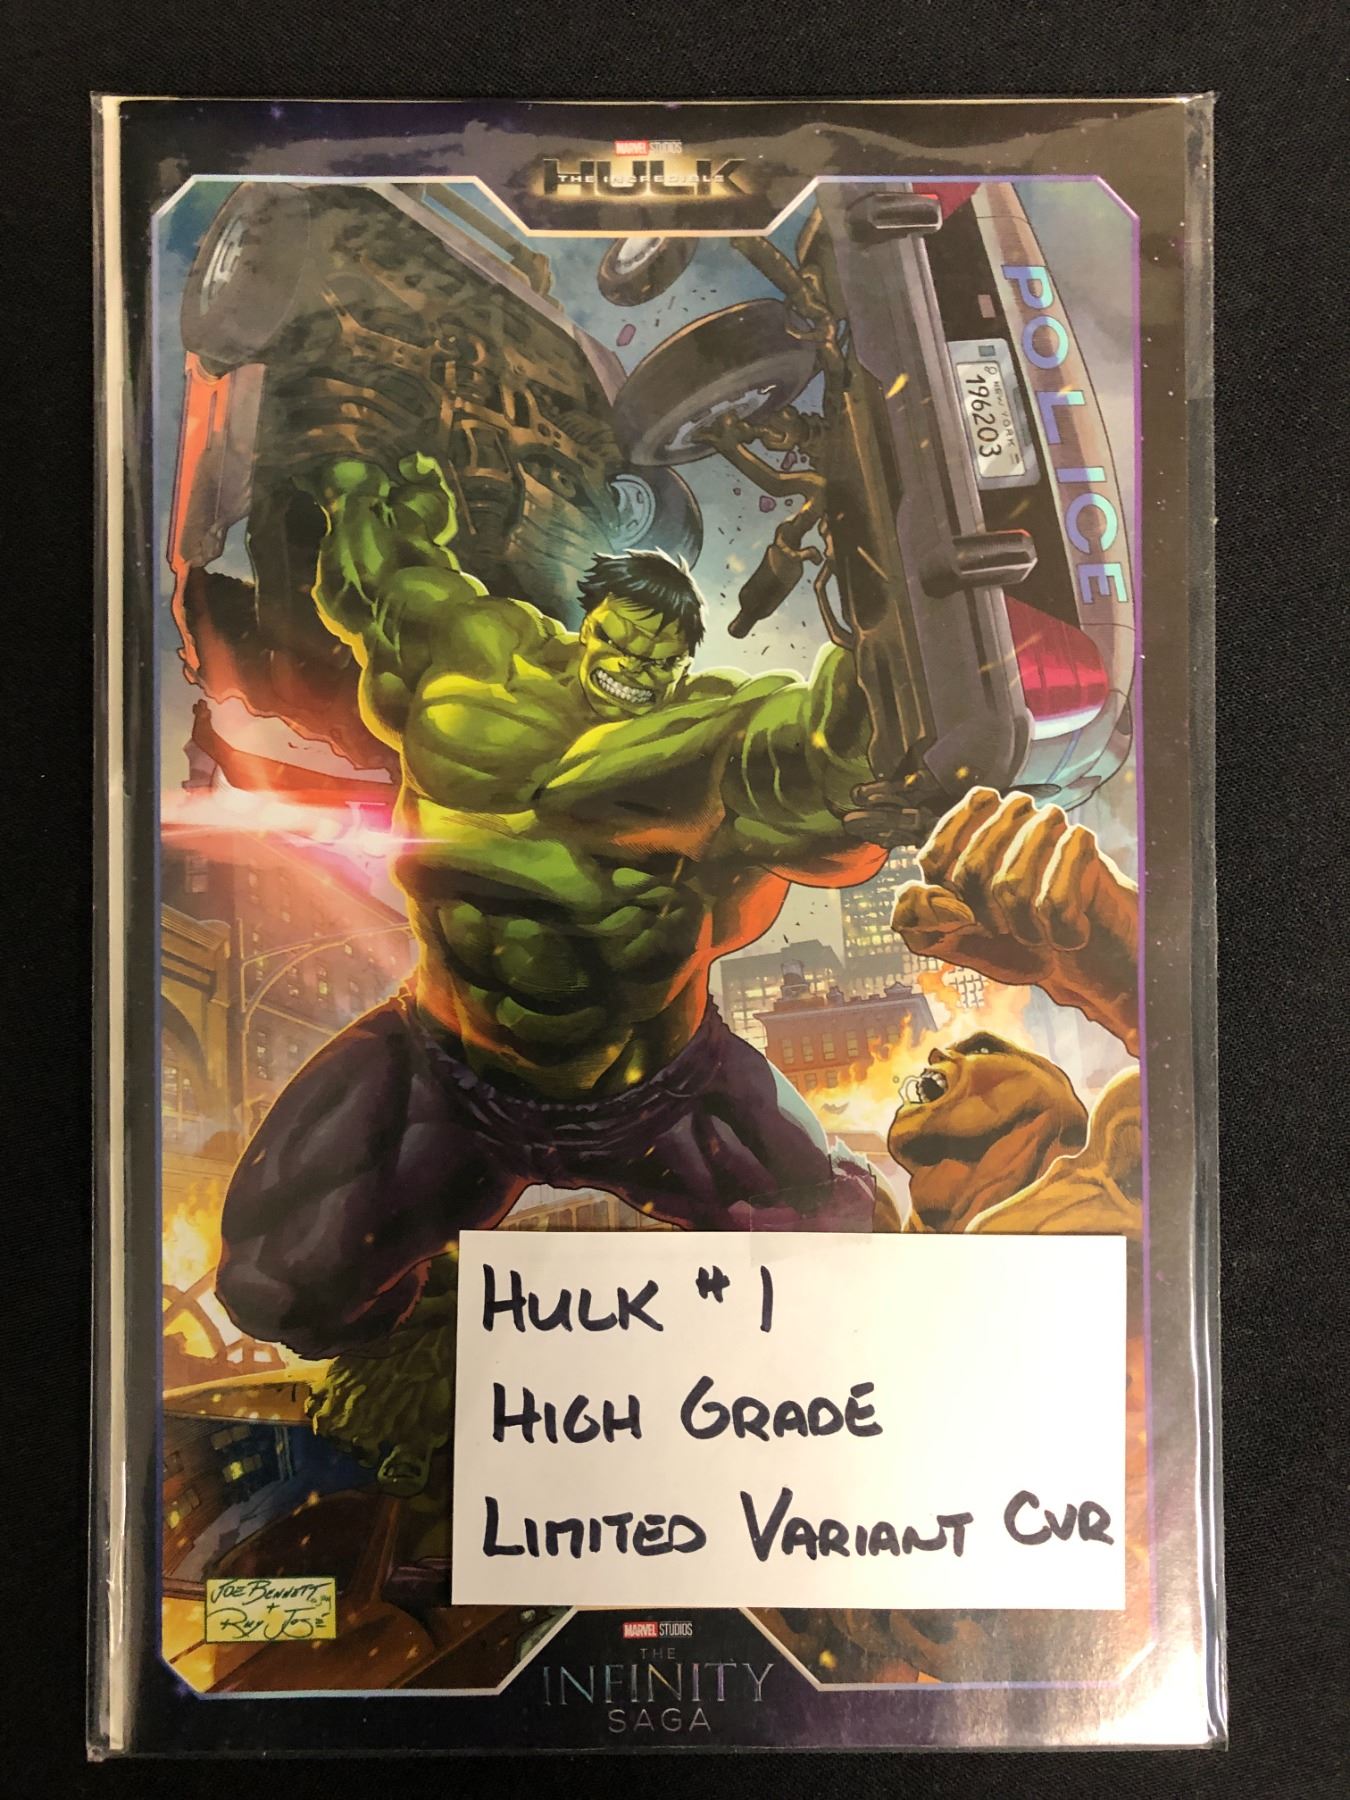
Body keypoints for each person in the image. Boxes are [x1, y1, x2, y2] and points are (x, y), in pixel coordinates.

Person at [217, 452, 900, 1366]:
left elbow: (826, 759)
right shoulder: (472, 664)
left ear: (684, 665)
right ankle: (446, 1355)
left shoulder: (709, 743)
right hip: (443, 1073)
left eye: (659, 659)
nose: (633, 668)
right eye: (620, 640)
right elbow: (380, 581)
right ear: (590, 620)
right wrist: (364, 487)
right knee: (273, 1287)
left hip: (659, 1101)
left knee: (846, 1263)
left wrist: (899, 610)